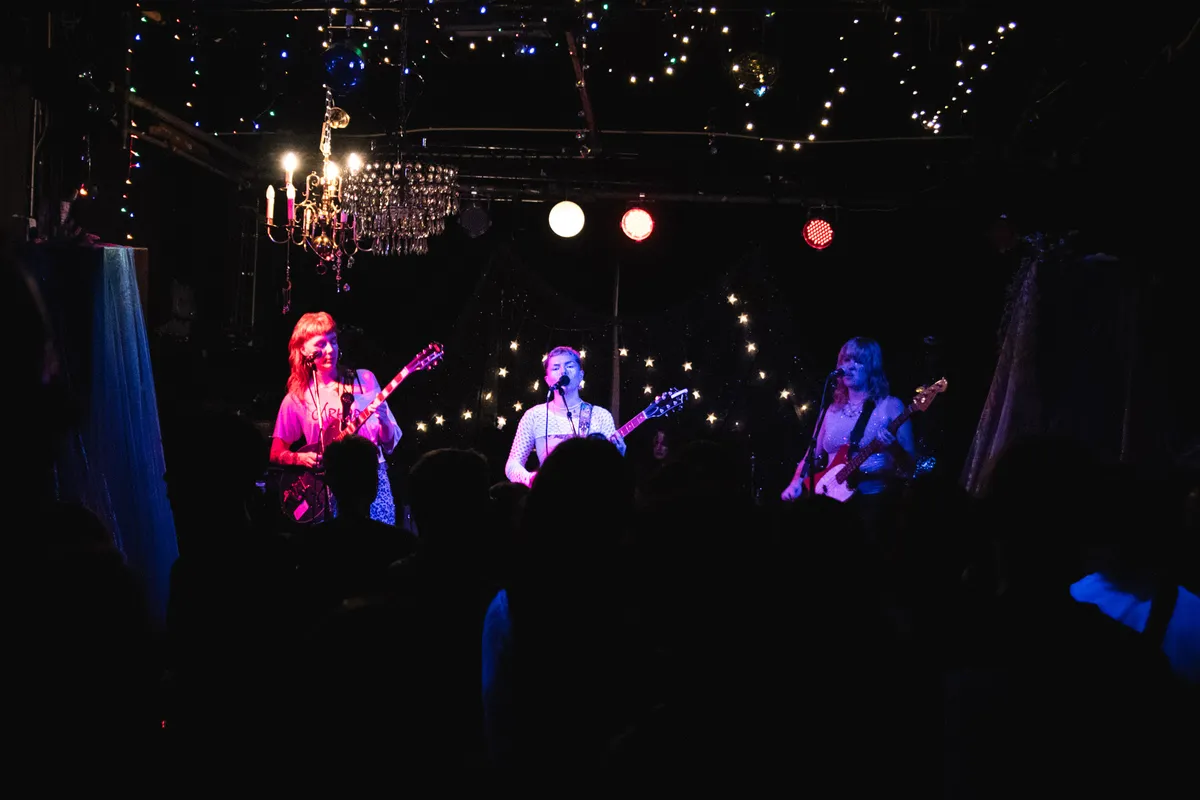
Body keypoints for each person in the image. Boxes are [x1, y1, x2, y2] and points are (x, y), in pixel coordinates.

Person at [270, 312, 402, 525]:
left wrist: (385, 421)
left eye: (333, 341)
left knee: (380, 539)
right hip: (327, 488)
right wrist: (299, 458)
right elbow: (276, 452)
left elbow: (389, 443)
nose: (330, 350)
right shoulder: (297, 397)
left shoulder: (364, 379)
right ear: (303, 349)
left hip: (372, 480)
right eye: (320, 344)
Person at [780, 336, 915, 503]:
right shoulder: (830, 410)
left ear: (872, 367)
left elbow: (910, 467)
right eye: (846, 360)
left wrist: (894, 448)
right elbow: (811, 456)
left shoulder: (890, 406)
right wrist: (795, 482)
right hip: (830, 500)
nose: (849, 366)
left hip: (874, 500)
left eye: (858, 361)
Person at [504, 346, 626, 487]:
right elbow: (512, 464)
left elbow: (611, 472)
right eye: (556, 368)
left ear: (581, 375)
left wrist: (618, 455)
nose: (563, 371)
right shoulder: (534, 415)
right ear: (547, 380)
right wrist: (531, 479)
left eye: (569, 366)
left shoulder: (600, 415)